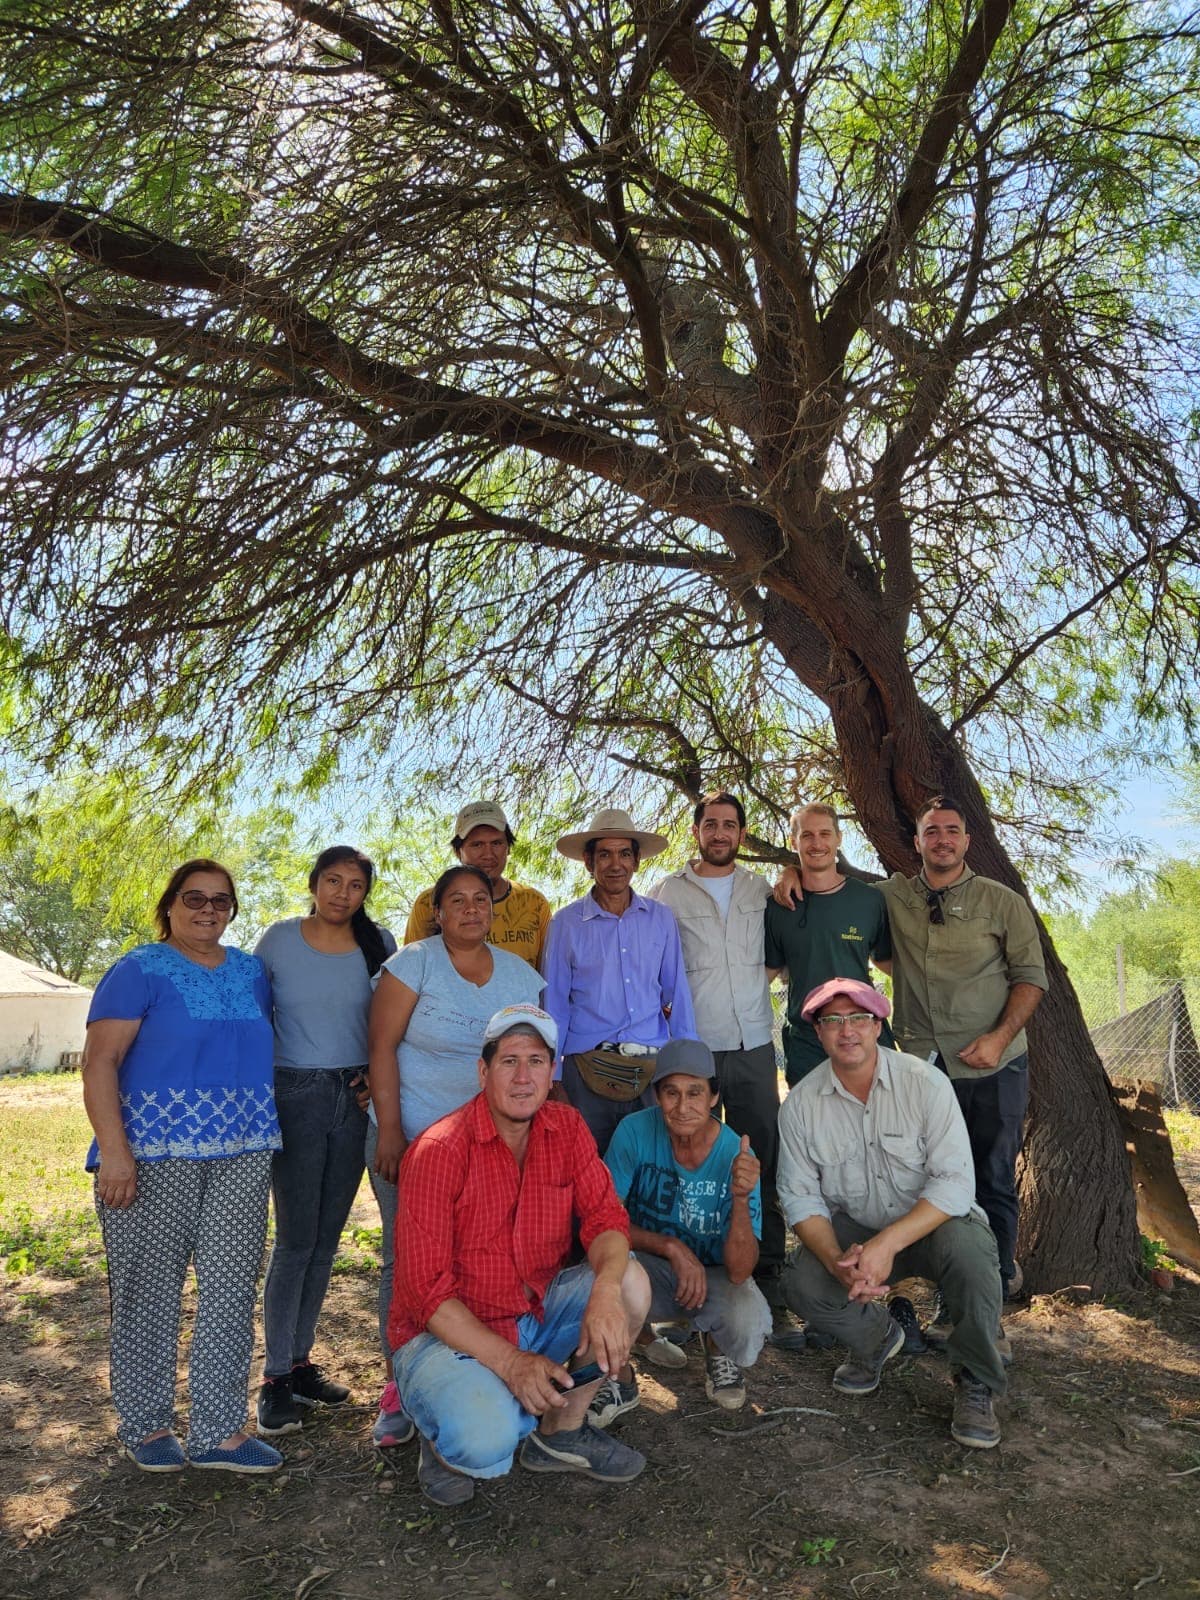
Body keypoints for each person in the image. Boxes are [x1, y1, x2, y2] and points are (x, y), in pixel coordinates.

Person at [772, 797, 1047, 1308]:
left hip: (992, 1059)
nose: (941, 839)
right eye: (931, 831)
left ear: (966, 840)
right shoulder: (890, 897)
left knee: (990, 1176)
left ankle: (987, 1292)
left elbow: (1031, 978)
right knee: (913, 1173)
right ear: (917, 842)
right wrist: (793, 869)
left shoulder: (1001, 900)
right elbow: (829, 884)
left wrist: (999, 1037)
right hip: (922, 1055)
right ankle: (890, 1285)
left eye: (951, 830)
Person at [390, 1004, 651, 1507]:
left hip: (535, 1312)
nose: (524, 1076)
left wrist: (603, 1292)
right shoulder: (438, 1150)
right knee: (487, 1438)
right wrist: (511, 1364)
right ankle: (440, 1435)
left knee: (631, 1284)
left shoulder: (567, 1127)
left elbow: (606, 1220)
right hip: (449, 1337)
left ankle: (561, 1432)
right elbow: (425, 1293)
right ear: (483, 1070)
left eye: (536, 1060)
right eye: (509, 1061)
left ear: (553, 1072)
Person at [82, 859, 283, 1475]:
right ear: (169, 904)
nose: (208, 910)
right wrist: (115, 1152)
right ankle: (146, 1427)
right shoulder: (138, 969)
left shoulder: (252, 973)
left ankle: (219, 1432)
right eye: (194, 898)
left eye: (221, 901)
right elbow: (99, 1063)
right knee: (149, 1291)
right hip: (151, 1158)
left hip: (243, 1156)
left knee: (229, 1288)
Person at [776, 979, 1007, 1449]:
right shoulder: (800, 1105)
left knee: (975, 1254)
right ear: (817, 1033)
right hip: (856, 1226)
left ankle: (975, 1380)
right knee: (802, 1280)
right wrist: (836, 1262)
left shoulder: (926, 1084)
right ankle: (876, 1340)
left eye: (858, 1018)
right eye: (832, 1021)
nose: (847, 1032)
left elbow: (955, 1184)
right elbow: (801, 1199)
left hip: (931, 1223)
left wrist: (887, 1245)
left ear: (878, 1025)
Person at [366, 864, 544, 1449]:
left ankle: (475, 1367)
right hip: (411, 1140)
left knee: (479, 1258)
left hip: (488, 1148)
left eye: (481, 901)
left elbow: (530, 1061)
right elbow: (382, 1047)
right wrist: (391, 1130)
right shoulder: (413, 963)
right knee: (407, 1262)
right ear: (437, 912)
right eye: (457, 901)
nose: (471, 909)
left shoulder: (519, 975)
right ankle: (401, 1383)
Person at [254, 846, 397, 1436]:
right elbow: (254, 1020)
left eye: (356, 884)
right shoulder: (278, 941)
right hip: (293, 1096)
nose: (343, 893)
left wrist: (374, 1080)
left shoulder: (380, 944)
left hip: (355, 1098)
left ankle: (301, 1361)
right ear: (313, 884)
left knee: (325, 1241)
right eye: (333, 881)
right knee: (294, 1241)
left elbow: (394, 1024)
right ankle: (273, 1380)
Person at [647, 792, 789, 1333]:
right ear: (697, 831)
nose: (721, 833)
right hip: (694, 1048)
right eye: (711, 824)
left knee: (760, 1157)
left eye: (730, 825)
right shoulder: (667, 893)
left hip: (753, 1041)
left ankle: (767, 1270)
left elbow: (775, 956)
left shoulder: (763, 890)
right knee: (688, 1161)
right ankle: (684, 1277)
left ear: (741, 833)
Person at [603, 1037, 771, 1417]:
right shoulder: (634, 1131)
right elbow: (604, 1219)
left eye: (695, 1093)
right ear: (657, 1097)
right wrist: (672, 1249)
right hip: (651, 1268)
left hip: (714, 1274)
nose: (682, 1107)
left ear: (714, 1097)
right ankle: (628, 1358)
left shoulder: (736, 1154)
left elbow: (741, 1270)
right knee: (602, 1272)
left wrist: (742, 1198)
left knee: (746, 1317)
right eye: (671, 1093)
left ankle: (717, 1349)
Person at [541, 807, 697, 1155]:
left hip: (650, 1071)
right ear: (588, 862)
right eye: (605, 854)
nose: (616, 864)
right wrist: (553, 1078)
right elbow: (554, 1007)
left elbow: (678, 993)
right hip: (585, 1073)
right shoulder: (566, 924)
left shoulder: (660, 919)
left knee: (651, 1170)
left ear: (637, 861)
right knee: (587, 1170)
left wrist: (686, 1066)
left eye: (625, 853)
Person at [764, 804, 893, 1086]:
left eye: (825, 833)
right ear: (793, 841)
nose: (817, 843)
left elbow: (887, 961)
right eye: (807, 835)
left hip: (863, 1035)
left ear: (839, 838)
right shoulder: (778, 907)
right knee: (813, 1127)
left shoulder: (869, 900)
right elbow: (767, 972)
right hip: (807, 1043)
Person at [404, 800, 551, 968]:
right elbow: (412, 970)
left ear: (508, 848)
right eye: (477, 845)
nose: (488, 854)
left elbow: (547, 977)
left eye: (496, 843)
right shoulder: (428, 903)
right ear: (458, 851)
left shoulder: (534, 903)